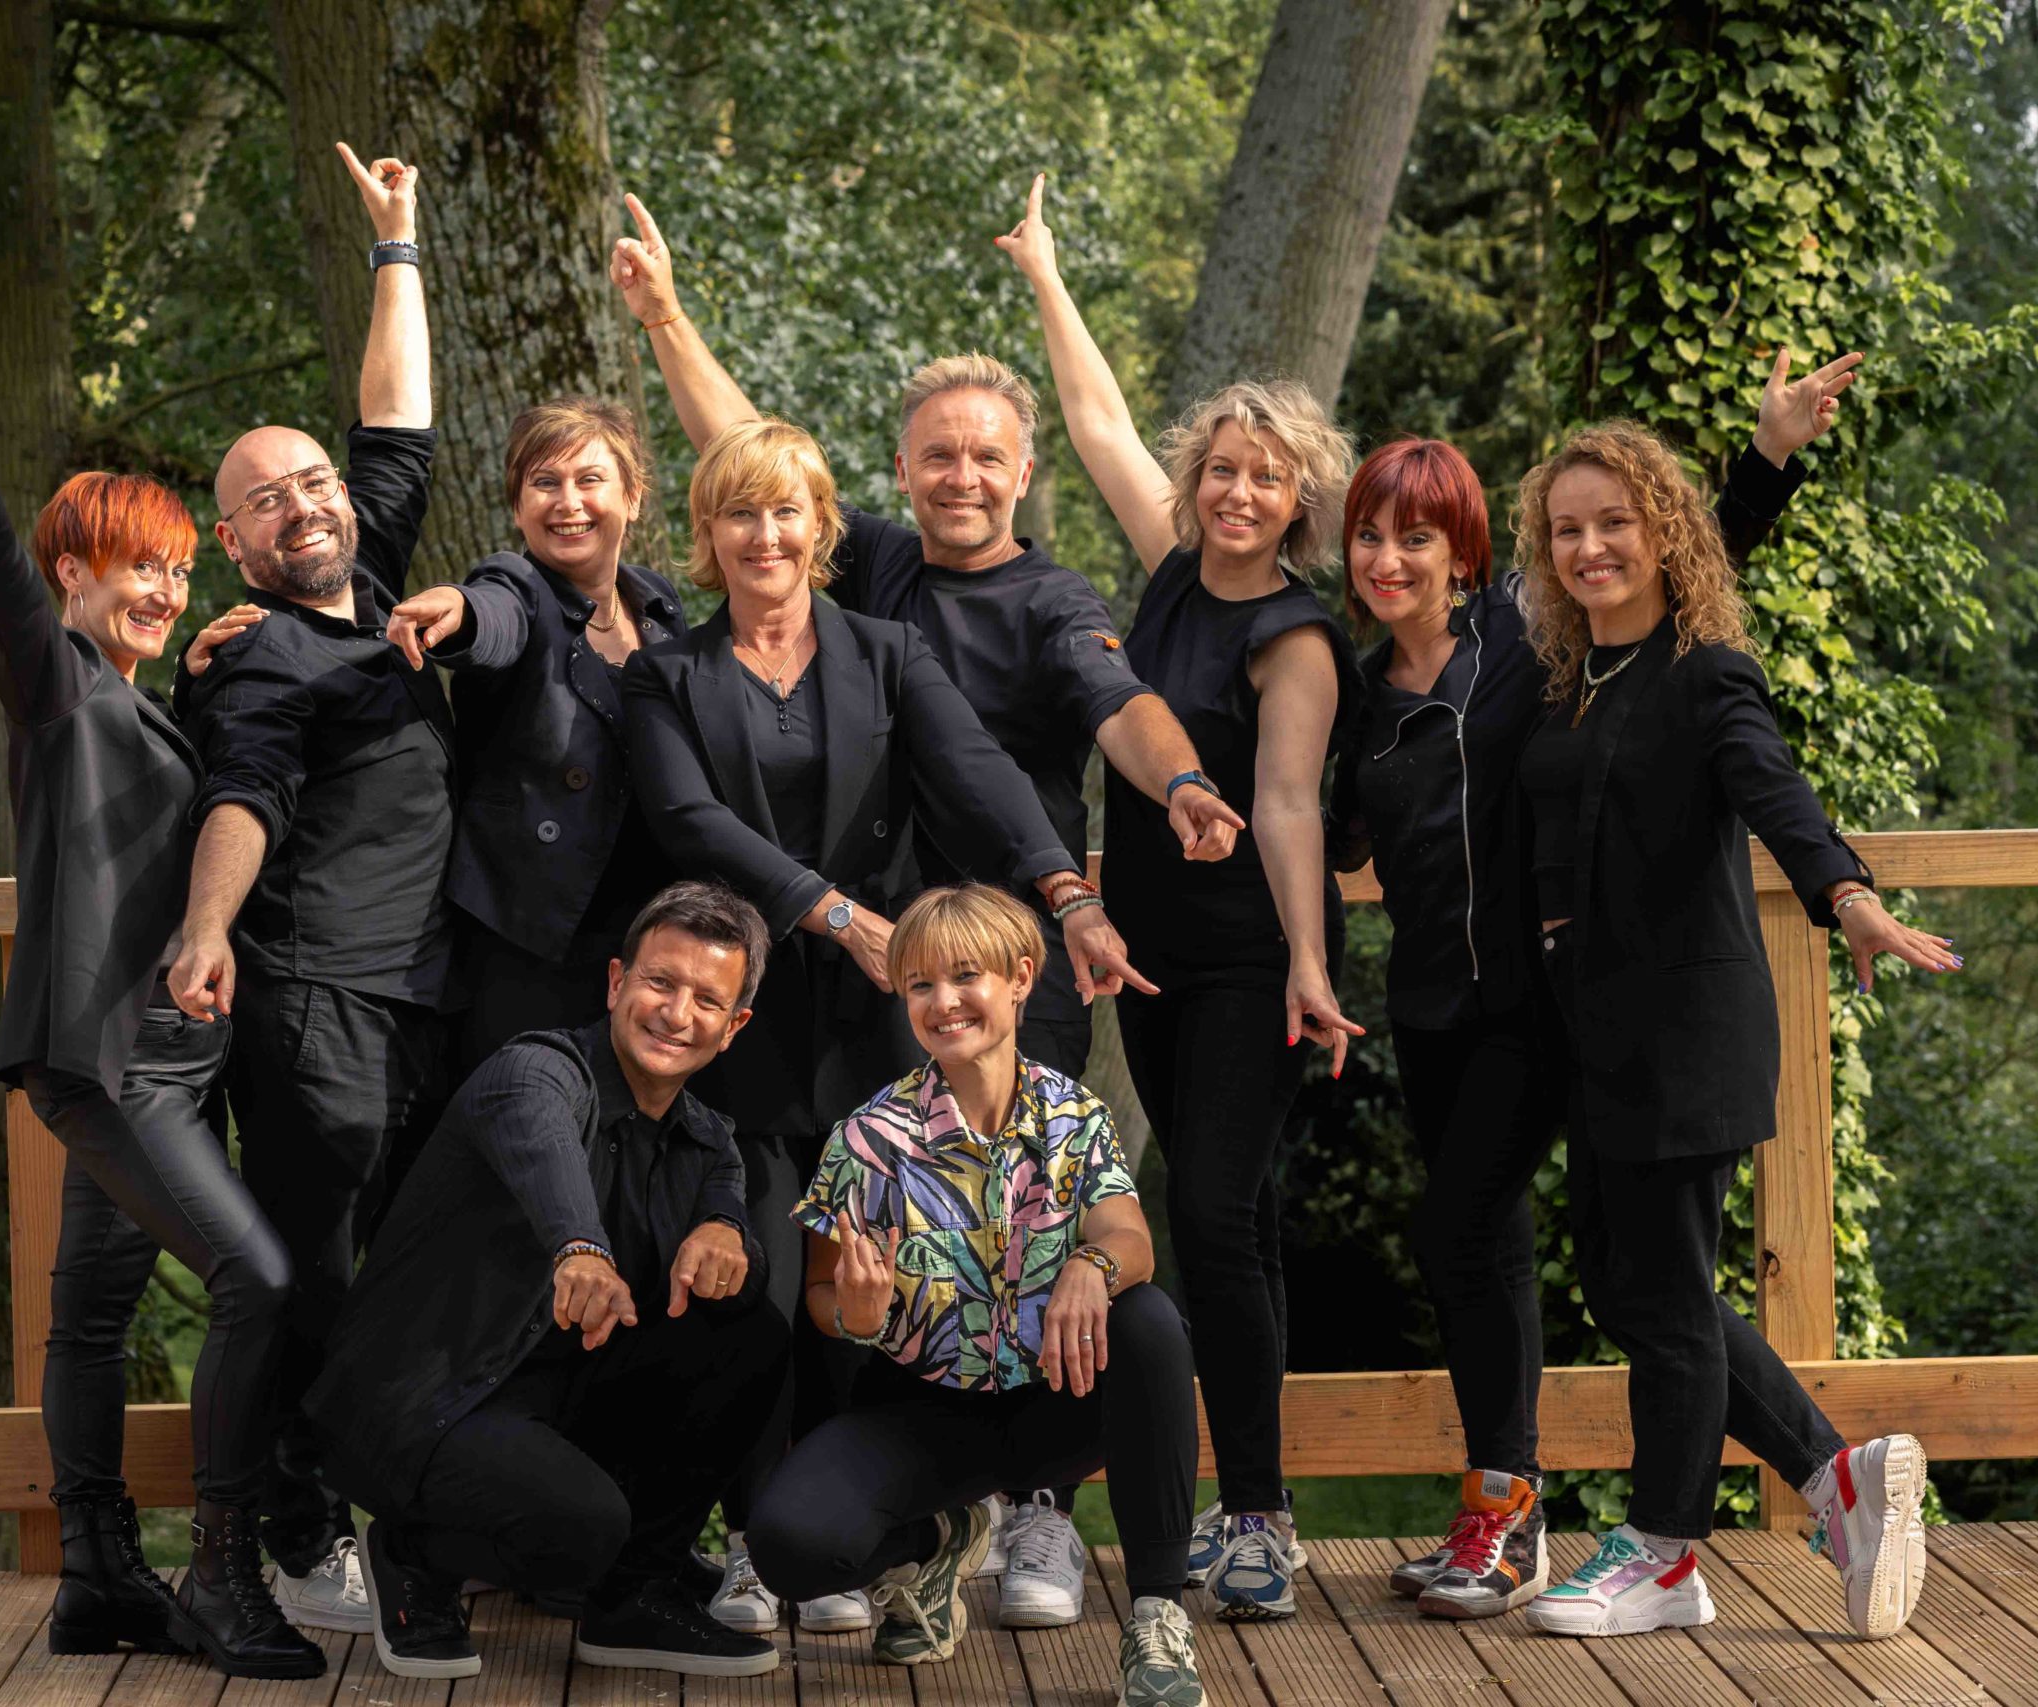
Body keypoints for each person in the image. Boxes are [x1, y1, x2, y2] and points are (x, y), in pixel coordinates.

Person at [609, 198, 1245, 1625]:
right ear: (895, 478)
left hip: (981, 976)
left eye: (986, 456)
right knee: (810, 1265)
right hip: (832, 967)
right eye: (937, 455)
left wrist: (1115, 851)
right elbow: (751, 459)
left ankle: (1029, 1517)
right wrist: (665, 317)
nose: (961, 475)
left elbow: (1094, 718)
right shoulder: (864, 581)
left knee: (1019, 1237)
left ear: (1020, 474)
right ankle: (843, 1514)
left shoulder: (1033, 603)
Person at [1327, 348, 1860, 1620]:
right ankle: (1827, 1470)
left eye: (1419, 536)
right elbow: (1330, 832)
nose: (1392, 559)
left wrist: (1768, 460)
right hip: (1456, 1006)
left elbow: (1671, 574)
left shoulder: (1526, 643)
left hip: (1560, 1008)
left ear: (1465, 551)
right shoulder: (1358, 693)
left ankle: (1557, 1522)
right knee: (1610, 1278)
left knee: (1531, 1252)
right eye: (1369, 538)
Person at [0, 322, 313, 1677]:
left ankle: (95, 1575)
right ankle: (226, 1574)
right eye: (142, 568)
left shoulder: (138, 699)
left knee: (90, 1316)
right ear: (74, 572)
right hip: (113, 1059)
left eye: (180, 572)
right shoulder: (54, 684)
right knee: (257, 1279)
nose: (166, 591)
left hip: (173, 1058)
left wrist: (200, 667)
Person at [1507, 421, 1955, 1640]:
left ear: (1664, 533)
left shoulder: (1705, 672)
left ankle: (1664, 1554)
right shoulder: (1572, 671)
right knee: (1630, 1284)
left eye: (1616, 523)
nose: (1590, 547)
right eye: (1567, 529)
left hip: (1687, 1029)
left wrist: (1848, 897)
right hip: (1594, 1027)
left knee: (1660, 1295)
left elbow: (1775, 789)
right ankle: (1836, 1476)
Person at [999, 174, 1360, 1620]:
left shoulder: (1293, 636)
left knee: (1208, 1214)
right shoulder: (1168, 581)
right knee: (1233, 1222)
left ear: (1297, 503)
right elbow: (1095, 425)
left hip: (1248, 962)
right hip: (1147, 956)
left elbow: (1289, 805)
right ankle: (1252, 1504)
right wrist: (1044, 273)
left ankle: (1258, 1514)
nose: (1236, 493)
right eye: (1219, 470)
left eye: (1265, 479)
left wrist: (1309, 964)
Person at [166, 143, 444, 1631]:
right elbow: (245, 796)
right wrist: (209, 924)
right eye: (267, 502)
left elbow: (392, 427)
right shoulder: (260, 657)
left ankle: (407, 1520)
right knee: (309, 1276)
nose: (305, 507)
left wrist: (396, 245)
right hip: (314, 1004)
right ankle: (293, 1524)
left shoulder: (380, 590)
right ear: (234, 543)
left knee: (413, 1269)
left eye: (312, 484)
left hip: (422, 998)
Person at [303, 882, 790, 1681]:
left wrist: (728, 1234)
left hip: (552, 1397)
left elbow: (731, 1223)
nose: (676, 1013)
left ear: (733, 1025)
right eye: (661, 981)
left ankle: (634, 1596)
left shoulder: (708, 1141)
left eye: (707, 999)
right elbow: (544, 1151)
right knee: (582, 1526)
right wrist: (580, 1249)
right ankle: (412, 1552)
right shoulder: (535, 1072)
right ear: (617, 982)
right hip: (426, 1400)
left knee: (751, 1335)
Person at [750, 885, 1206, 1707]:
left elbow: (1129, 1236)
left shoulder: (1075, 1115)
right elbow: (822, 1290)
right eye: (921, 983)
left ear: (1021, 977)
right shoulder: (866, 1139)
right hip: (924, 1412)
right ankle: (934, 1543)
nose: (944, 1001)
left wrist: (1090, 1265)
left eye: (966, 976)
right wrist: (853, 1314)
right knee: (789, 1546)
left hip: (1060, 1399)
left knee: (1150, 1321)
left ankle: (1157, 1621)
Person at [370, 397, 690, 1066]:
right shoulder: (516, 584)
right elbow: (493, 613)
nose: (567, 502)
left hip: (646, 943)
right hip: (530, 946)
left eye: (590, 479)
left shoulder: (660, 606)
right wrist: (457, 609)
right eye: (544, 482)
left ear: (633, 497)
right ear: (518, 507)